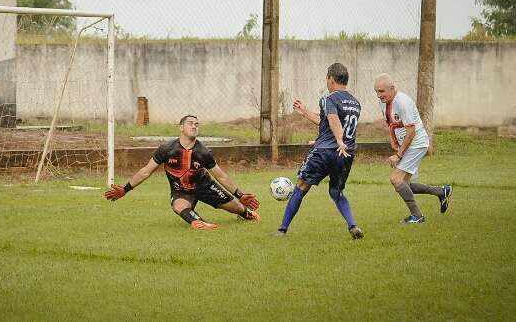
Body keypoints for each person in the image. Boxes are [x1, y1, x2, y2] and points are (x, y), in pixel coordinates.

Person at [104, 114, 261, 230]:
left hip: (205, 187)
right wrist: (125, 189)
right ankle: (198, 222)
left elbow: (220, 175)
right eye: (190, 123)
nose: (194, 126)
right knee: (178, 205)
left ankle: (245, 213)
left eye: (197, 124)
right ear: (181, 127)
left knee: (235, 207)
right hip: (181, 191)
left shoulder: (204, 152)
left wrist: (240, 195)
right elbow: (146, 171)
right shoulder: (166, 150)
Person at [276, 62, 364, 239]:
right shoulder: (355, 102)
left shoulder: (329, 98)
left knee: (301, 186)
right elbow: (327, 123)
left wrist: (339, 140)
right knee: (336, 192)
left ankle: (282, 230)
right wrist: (306, 112)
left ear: (331, 79)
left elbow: (333, 120)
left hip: (325, 151)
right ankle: (353, 226)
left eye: (327, 79)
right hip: (346, 154)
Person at [374, 73, 452, 223]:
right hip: (407, 144)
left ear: (392, 88)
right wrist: (393, 140)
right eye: (376, 91)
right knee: (405, 184)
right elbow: (390, 123)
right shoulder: (383, 102)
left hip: (416, 143)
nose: (378, 95)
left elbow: (411, 131)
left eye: (381, 91)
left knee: (396, 179)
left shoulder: (403, 102)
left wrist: (398, 154)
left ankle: (417, 216)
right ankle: (442, 192)